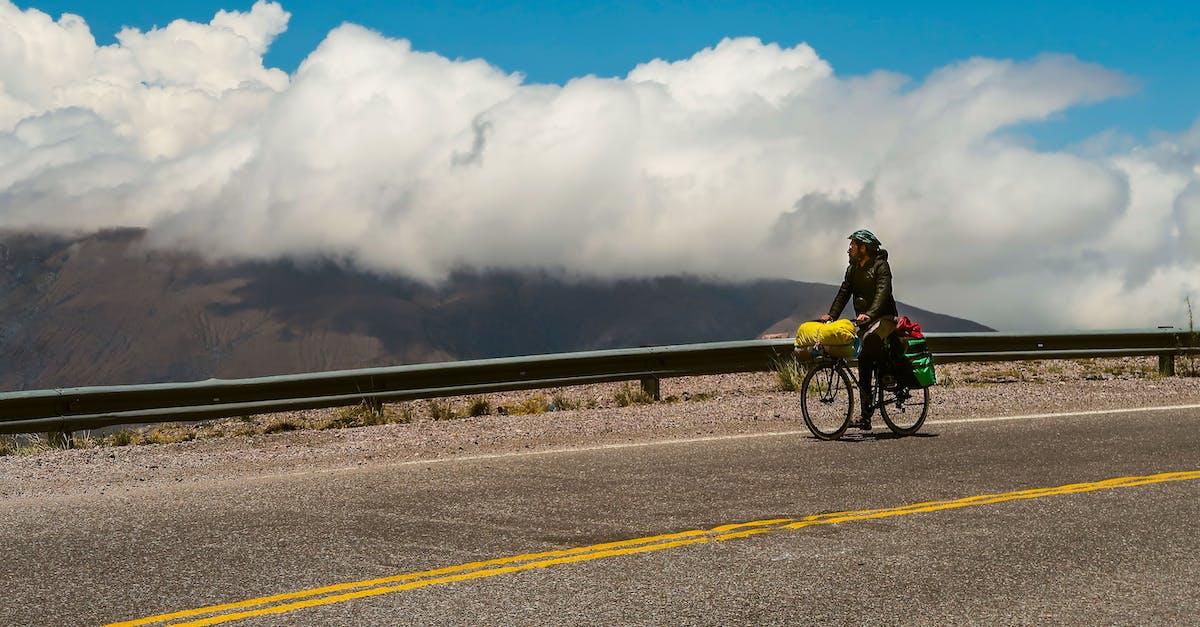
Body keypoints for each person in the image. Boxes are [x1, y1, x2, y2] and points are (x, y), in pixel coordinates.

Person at [820, 229, 899, 430]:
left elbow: (883, 291)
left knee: (872, 337)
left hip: (885, 319)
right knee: (863, 362)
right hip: (865, 321)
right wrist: (831, 315)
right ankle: (866, 417)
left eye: (852, 246)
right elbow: (844, 293)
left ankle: (888, 372)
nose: (849, 250)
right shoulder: (853, 270)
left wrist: (871, 314)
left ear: (864, 248)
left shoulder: (881, 266)